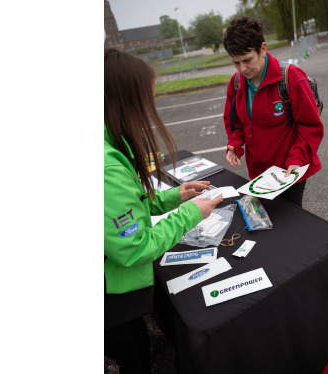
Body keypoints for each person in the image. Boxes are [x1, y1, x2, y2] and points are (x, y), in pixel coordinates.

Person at [104, 47, 223, 373]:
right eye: (147, 101)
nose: (150, 110)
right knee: (130, 350)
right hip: (108, 292)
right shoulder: (104, 164)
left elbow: (128, 203)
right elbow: (134, 248)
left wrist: (175, 196)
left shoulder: (111, 139)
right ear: (125, 100)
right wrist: (191, 214)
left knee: (133, 338)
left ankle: (138, 345)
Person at [222, 15, 324, 208]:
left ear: (262, 49)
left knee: (290, 224)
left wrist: (297, 159)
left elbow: (310, 125)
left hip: (289, 170)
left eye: (247, 60)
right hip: (258, 173)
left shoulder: (291, 77)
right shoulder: (236, 83)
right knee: (267, 222)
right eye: (236, 62)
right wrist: (234, 143)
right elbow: (234, 121)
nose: (242, 68)